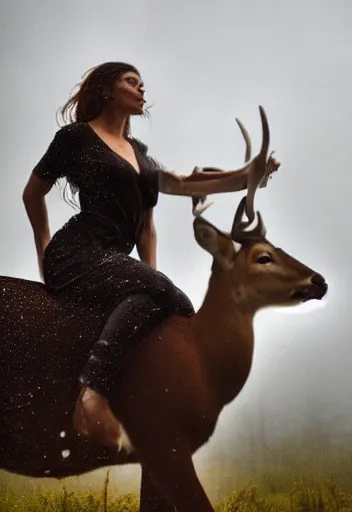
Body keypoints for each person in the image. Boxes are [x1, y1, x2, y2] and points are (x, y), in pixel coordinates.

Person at [22, 61, 280, 446]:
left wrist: (249, 176)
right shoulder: (74, 138)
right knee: (170, 295)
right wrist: (43, 248)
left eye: (143, 84)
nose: (142, 90)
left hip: (115, 263)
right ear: (107, 90)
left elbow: (172, 194)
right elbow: (32, 193)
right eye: (132, 82)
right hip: (75, 254)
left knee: (171, 302)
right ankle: (91, 394)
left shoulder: (140, 155)